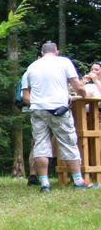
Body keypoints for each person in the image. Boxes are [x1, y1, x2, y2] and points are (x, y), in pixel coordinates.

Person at [21, 41, 99, 191]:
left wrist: (39, 103)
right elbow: (76, 85)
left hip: (38, 110)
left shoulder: (31, 67)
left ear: (42, 53)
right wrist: (82, 94)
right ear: (56, 51)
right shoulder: (64, 62)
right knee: (68, 142)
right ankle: (78, 181)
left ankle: (44, 184)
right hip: (58, 109)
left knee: (41, 145)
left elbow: (26, 96)